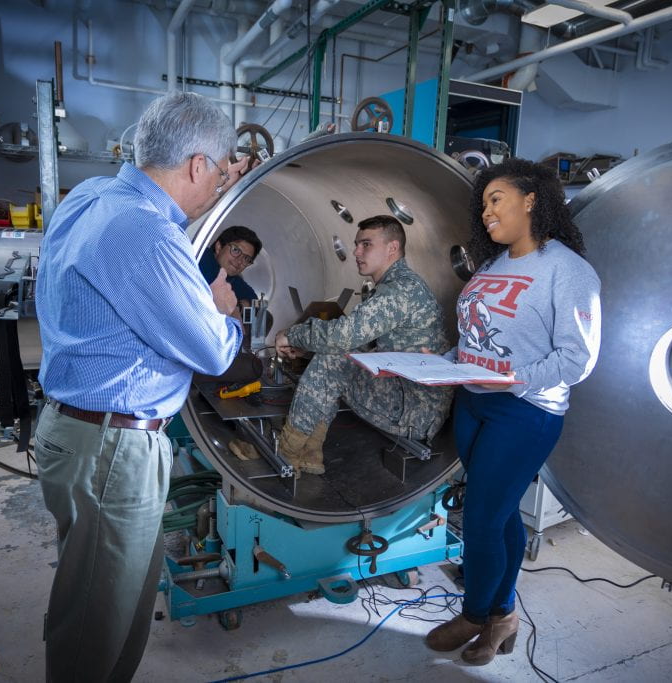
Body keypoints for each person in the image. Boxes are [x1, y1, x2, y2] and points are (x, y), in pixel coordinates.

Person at [33, 92, 249, 683]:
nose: (219, 184)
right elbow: (212, 352)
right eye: (220, 173)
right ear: (197, 165)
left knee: (106, 600)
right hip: (112, 450)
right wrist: (221, 311)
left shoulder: (91, 196)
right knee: (96, 623)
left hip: (73, 431)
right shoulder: (147, 234)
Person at [424, 158, 601, 665]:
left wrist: (516, 378)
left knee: (480, 519)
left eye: (495, 199)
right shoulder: (492, 265)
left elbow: (577, 359)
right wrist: (443, 362)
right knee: (498, 514)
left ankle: (475, 614)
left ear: (531, 200)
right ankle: (502, 615)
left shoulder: (567, 270)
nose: (486, 212)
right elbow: (478, 339)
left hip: (524, 409)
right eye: (482, 204)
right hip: (473, 401)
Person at [273, 215, 453, 476]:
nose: (357, 252)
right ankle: (309, 452)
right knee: (335, 354)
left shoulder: (399, 290)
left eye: (366, 244)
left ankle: (287, 451)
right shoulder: (399, 284)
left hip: (414, 410)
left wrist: (291, 335)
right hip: (411, 400)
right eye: (357, 244)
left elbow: (344, 336)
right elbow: (363, 342)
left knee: (334, 359)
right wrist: (310, 347)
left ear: (392, 248)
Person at [198, 225, 262, 319]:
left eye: (246, 258)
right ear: (219, 247)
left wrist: (240, 305)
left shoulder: (232, 278)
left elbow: (257, 304)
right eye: (236, 250)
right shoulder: (201, 258)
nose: (239, 261)